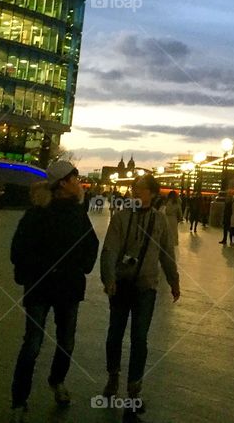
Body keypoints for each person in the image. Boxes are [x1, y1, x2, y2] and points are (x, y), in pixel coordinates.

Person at [9, 161, 98, 422]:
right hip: (42, 286)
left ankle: (56, 380)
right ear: (63, 183)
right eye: (75, 177)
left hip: (67, 287)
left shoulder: (77, 213)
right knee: (33, 344)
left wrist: (80, 268)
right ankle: (19, 399)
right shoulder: (38, 213)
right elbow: (19, 250)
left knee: (65, 341)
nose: (78, 182)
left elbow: (90, 244)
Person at [100, 175, 180, 417]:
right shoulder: (121, 217)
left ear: (153, 194)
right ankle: (113, 375)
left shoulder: (160, 220)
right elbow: (110, 249)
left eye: (141, 189)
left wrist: (173, 280)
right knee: (115, 334)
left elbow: (166, 252)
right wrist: (109, 278)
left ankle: (134, 389)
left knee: (139, 338)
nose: (135, 192)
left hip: (146, 286)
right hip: (122, 284)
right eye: (134, 188)